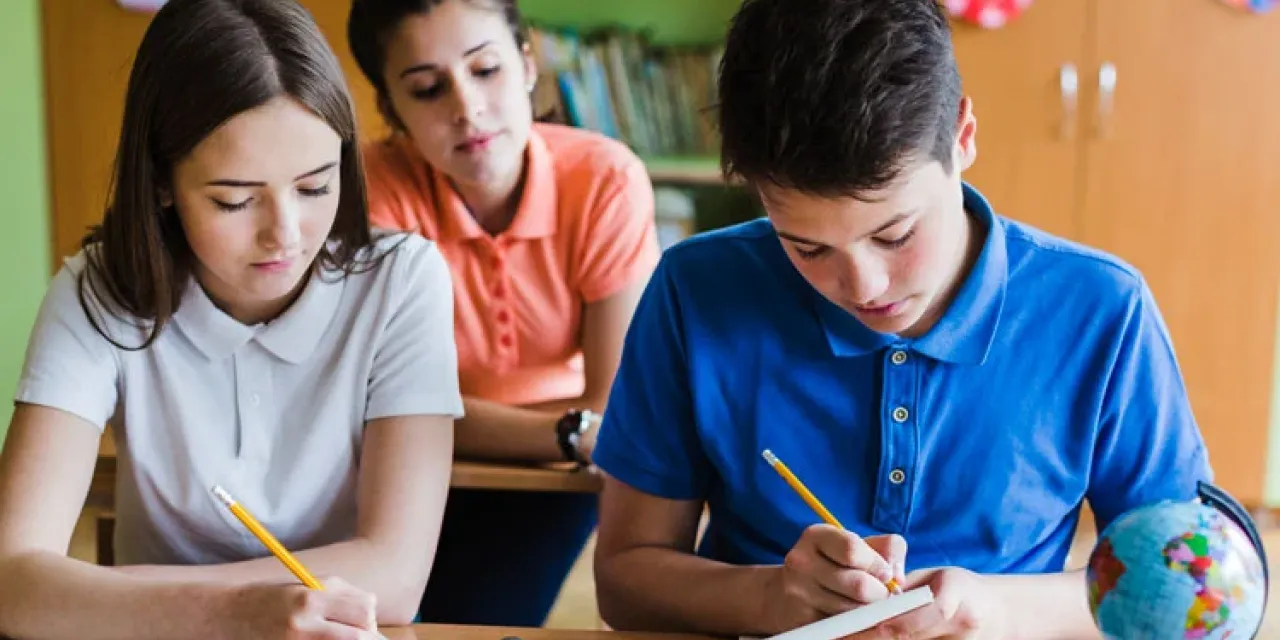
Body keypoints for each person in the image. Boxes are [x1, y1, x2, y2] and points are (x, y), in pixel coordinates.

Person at [590, 0, 1212, 638]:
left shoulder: (1101, 309)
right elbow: (623, 580)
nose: (865, 287)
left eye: (895, 234)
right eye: (807, 248)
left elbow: (1190, 591)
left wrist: (993, 611)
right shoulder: (696, 290)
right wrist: (769, 596)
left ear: (962, 136)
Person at [0, 0, 462, 638]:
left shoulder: (402, 281)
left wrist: (111, 594)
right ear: (161, 182)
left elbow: (396, 578)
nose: (285, 234)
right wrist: (233, 614)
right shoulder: (100, 289)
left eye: (315, 187)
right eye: (235, 200)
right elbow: (12, 581)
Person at [347, 0, 661, 627]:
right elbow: (366, 406)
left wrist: (576, 432)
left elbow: (617, 407)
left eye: (485, 69)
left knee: (473, 619)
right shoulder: (370, 190)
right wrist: (567, 431)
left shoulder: (605, 180)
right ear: (390, 108)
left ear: (526, 64)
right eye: (428, 88)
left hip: (551, 479)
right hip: (412, 465)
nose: (466, 109)